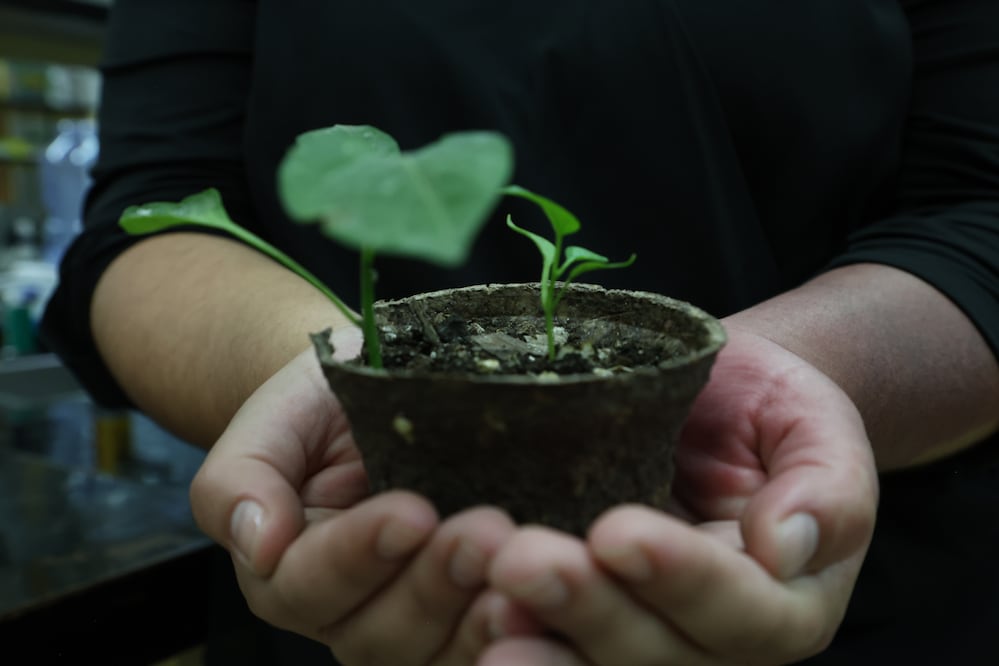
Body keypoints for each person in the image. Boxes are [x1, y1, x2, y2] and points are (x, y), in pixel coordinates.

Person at [41, 0, 999, 664]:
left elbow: (981, 206)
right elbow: (150, 221)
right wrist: (325, 375)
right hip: (346, 581)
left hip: (837, 568)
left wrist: (775, 377)